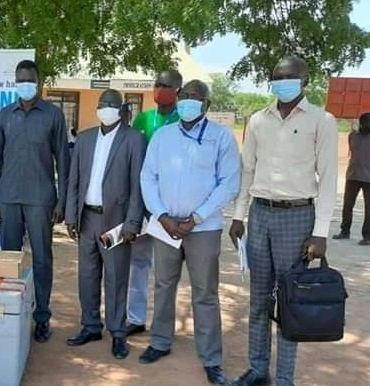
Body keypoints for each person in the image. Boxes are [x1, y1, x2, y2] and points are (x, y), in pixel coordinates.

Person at [229, 56, 338, 386]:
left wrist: (320, 233)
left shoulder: (322, 120)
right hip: (260, 215)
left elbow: (330, 178)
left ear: (305, 80)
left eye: (290, 77)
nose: (283, 81)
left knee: (291, 300)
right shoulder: (259, 120)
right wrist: (238, 216)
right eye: (277, 77)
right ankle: (258, 368)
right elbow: (247, 169)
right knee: (259, 300)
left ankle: (285, 379)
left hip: (298, 217)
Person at [139, 80, 240, 385]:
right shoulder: (162, 136)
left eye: (195, 98)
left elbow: (229, 183)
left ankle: (210, 358)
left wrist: (196, 218)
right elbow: (148, 177)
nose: (187, 102)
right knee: (163, 284)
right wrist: (162, 215)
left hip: (204, 228)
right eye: (184, 97)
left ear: (207, 105)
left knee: (205, 293)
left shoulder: (221, 138)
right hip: (165, 226)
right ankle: (159, 341)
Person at [0, 59, 70, 343]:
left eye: (29, 79)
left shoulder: (53, 115)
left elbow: (63, 161)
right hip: (8, 198)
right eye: (20, 80)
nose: (25, 84)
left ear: (38, 80)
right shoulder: (4, 115)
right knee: (9, 259)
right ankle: (11, 314)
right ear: (15, 82)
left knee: (42, 260)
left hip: (41, 199)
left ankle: (42, 316)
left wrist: (62, 202)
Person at [64, 89, 146, 359]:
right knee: (87, 275)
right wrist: (70, 215)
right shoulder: (85, 139)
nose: (105, 109)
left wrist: (133, 223)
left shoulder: (134, 140)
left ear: (122, 110)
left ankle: (118, 333)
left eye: (111, 105)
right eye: (102, 104)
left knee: (115, 277)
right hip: (87, 218)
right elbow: (74, 180)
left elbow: (137, 185)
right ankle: (90, 325)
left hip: (115, 222)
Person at [126, 69, 183, 336]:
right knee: (138, 265)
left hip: (170, 210)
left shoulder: (184, 120)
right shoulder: (143, 119)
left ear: (178, 91)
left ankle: (162, 328)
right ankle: (135, 319)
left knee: (166, 272)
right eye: (157, 84)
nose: (160, 89)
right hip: (142, 206)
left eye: (166, 85)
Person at [333, 112, 370, 245]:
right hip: (352, 176)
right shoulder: (353, 135)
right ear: (361, 123)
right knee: (347, 206)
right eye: (366, 123)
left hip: (368, 179)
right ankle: (344, 231)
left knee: (369, 209)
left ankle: (367, 236)